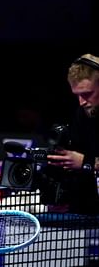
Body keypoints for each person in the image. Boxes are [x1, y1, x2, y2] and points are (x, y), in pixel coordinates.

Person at [46, 53, 99, 215]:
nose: (82, 102)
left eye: (87, 94)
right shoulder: (81, 114)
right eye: (77, 95)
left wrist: (86, 162)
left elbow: (83, 161)